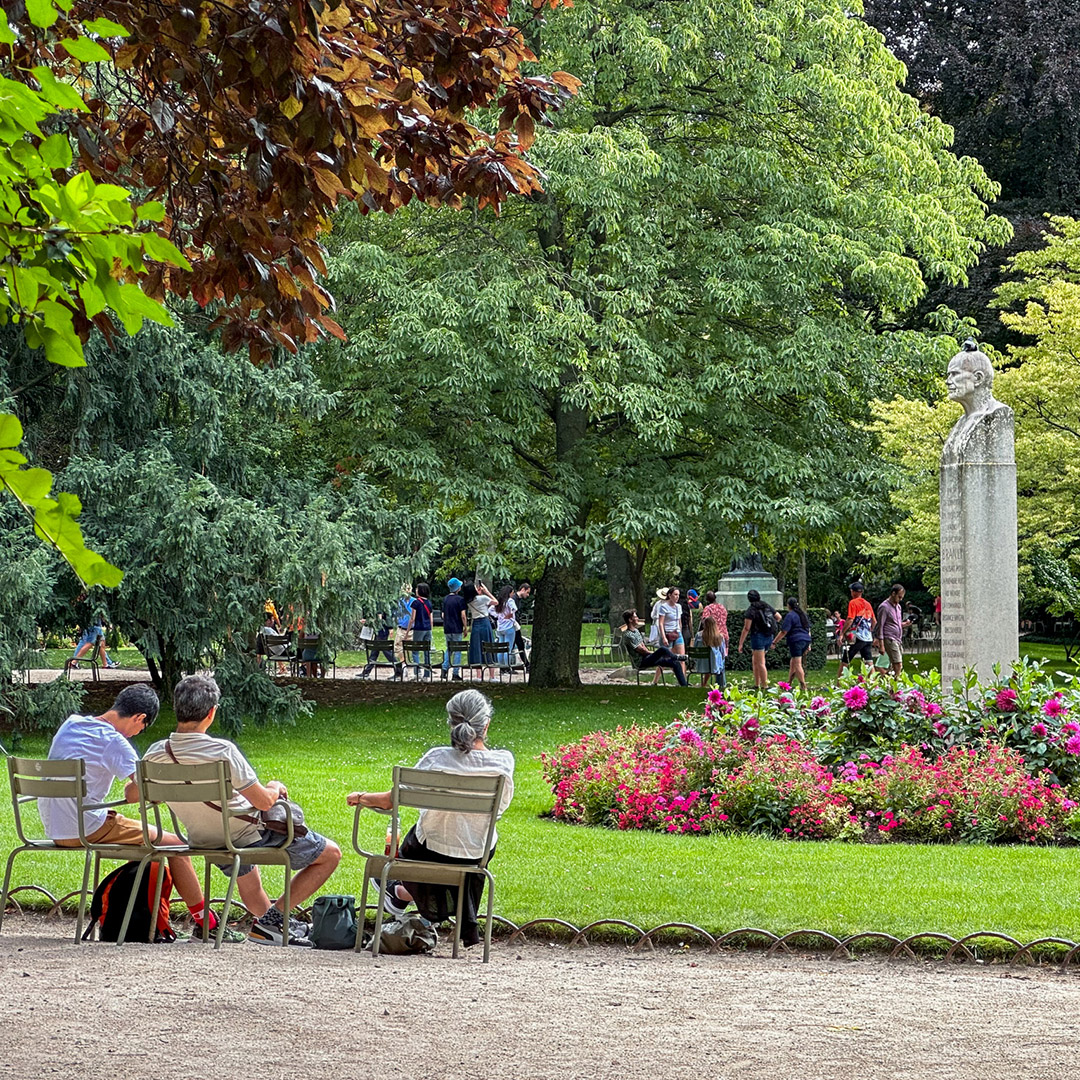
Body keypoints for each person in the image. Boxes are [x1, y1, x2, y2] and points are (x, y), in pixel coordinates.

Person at [144, 675, 341, 946]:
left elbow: (135, 794)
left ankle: (271, 927)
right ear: (211, 713)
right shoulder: (222, 750)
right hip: (243, 832)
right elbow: (263, 802)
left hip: (203, 837)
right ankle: (275, 921)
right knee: (330, 854)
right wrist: (275, 787)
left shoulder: (154, 754)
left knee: (250, 880)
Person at [39, 686, 241, 942]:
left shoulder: (71, 724)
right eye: (141, 728)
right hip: (86, 826)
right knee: (176, 845)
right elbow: (140, 791)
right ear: (139, 718)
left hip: (55, 827)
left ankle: (157, 921)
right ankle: (207, 924)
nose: (137, 733)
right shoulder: (114, 741)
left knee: (151, 847)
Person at [346, 689, 514, 949]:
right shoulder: (503, 764)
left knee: (427, 839)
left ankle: (400, 893)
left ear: (451, 723)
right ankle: (402, 895)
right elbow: (500, 811)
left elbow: (393, 799)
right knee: (462, 841)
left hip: (429, 851)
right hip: (476, 854)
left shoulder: (437, 758)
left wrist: (362, 796)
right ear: (486, 724)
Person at [619, 609, 689, 685]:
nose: (637, 618)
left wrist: (652, 654)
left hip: (647, 657)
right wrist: (653, 653)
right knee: (662, 649)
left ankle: (684, 685)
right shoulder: (628, 635)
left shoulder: (636, 631)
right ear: (630, 620)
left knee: (675, 663)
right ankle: (676, 656)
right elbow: (641, 650)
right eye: (635, 617)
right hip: (641, 661)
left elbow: (643, 645)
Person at [737, 589, 776, 690]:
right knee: (755, 660)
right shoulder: (766, 606)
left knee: (760, 662)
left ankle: (764, 685)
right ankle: (757, 683)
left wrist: (741, 643)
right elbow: (778, 617)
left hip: (758, 637)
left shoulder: (751, 611)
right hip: (769, 636)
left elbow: (746, 628)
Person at [837, 580, 876, 677]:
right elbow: (874, 621)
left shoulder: (853, 603)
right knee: (869, 662)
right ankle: (875, 686)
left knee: (845, 660)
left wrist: (842, 633)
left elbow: (850, 619)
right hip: (868, 638)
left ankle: (838, 685)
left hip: (857, 637)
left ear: (854, 592)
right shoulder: (868, 604)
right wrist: (869, 631)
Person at [773, 597, 812, 694]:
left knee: (798, 663)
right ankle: (788, 683)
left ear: (788, 605)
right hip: (806, 640)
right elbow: (808, 630)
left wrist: (774, 642)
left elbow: (784, 631)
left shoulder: (790, 616)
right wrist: (809, 644)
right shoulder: (803, 615)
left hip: (796, 641)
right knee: (793, 662)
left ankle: (803, 685)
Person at [876, 584, 912, 678]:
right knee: (898, 664)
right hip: (889, 638)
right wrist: (881, 645)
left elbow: (896, 623)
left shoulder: (898, 607)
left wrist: (905, 624)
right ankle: (896, 687)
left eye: (902, 597)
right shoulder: (884, 607)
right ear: (893, 593)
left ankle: (888, 682)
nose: (900, 599)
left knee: (895, 665)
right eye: (899, 597)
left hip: (897, 639)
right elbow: (880, 626)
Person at [464, 581, 496, 680]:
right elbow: (496, 602)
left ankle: (478, 675)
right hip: (485, 623)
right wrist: (486, 591)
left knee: (477, 646)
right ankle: (492, 675)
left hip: (476, 625)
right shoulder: (483, 598)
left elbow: (475, 599)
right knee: (489, 645)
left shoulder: (468, 601)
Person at [440, 578, 468, 682]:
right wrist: (465, 627)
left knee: (449, 649)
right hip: (457, 628)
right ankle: (455, 673)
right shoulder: (460, 600)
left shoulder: (446, 599)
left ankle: (444, 669)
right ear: (458, 588)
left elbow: (443, 615)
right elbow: (463, 615)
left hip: (447, 628)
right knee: (457, 651)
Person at [407, 582, 433, 680]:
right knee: (427, 651)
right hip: (427, 629)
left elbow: (412, 618)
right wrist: (431, 628)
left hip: (419, 628)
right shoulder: (429, 603)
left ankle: (417, 672)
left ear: (421, 591)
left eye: (417, 589)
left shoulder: (416, 603)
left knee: (415, 651)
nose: (415, 590)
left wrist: (408, 631)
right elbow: (431, 619)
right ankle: (427, 674)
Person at [695, 615, 726, 691]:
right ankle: (721, 684)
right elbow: (723, 653)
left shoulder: (699, 635)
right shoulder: (719, 637)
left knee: (710, 660)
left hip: (701, 663)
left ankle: (704, 683)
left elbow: (695, 649)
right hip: (714, 665)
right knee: (720, 662)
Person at [392, 583, 414, 681]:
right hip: (401, 628)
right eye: (405, 589)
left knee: (412, 649)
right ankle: (403, 664)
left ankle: (413, 668)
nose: (407, 591)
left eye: (409, 589)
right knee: (398, 647)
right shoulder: (398, 602)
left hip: (413, 629)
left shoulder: (414, 601)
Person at [511, 581, 531, 671]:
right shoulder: (514, 599)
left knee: (518, 644)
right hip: (513, 625)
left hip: (516, 625)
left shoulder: (518, 600)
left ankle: (527, 664)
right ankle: (527, 664)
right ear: (523, 589)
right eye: (527, 592)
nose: (528, 595)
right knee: (517, 645)